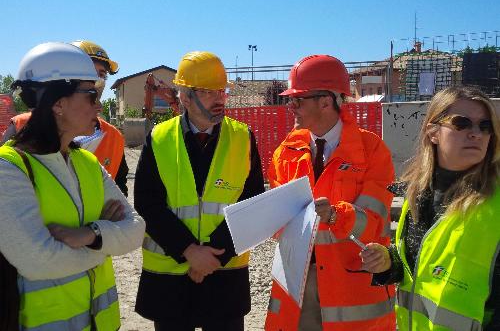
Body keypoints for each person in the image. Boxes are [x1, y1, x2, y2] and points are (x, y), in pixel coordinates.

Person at [0, 42, 145, 330]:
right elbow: (38, 262)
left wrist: (88, 234)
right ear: (57, 103)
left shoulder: (87, 163)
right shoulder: (9, 169)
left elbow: (136, 230)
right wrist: (106, 241)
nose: (99, 104)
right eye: (90, 94)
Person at [134, 51, 265, 331]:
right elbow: (148, 203)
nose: (219, 99)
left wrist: (212, 257)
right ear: (184, 97)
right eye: (208, 92)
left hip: (225, 278)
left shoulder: (242, 137)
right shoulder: (159, 138)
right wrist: (189, 250)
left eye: (222, 91)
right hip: (170, 279)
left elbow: (251, 203)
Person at [265, 54, 396, 331]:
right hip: (298, 287)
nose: (291, 107)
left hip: (350, 289)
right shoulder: (285, 153)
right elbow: (279, 221)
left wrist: (337, 215)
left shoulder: (371, 152)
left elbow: (375, 222)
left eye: (298, 100)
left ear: (326, 101)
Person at [361, 86, 500, 330]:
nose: (476, 133)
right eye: (462, 123)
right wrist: (389, 262)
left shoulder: (494, 201)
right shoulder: (417, 193)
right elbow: (421, 267)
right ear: (432, 132)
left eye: (484, 126)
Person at [1, 40, 129, 196]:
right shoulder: (21, 127)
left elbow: (122, 199)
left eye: (101, 75)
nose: (95, 82)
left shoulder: (113, 137)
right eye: (88, 72)